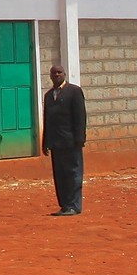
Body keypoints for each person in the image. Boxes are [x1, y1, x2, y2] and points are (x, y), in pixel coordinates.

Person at [41, 64, 86, 216]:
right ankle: (65, 205)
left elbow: (80, 117)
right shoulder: (48, 96)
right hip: (56, 143)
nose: (57, 75)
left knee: (73, 173)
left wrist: (80, 139)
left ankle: (74, 205)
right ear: (50, 76)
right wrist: (45, 141)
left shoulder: (74, 92)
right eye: (54, 73)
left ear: (65, 74)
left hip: (71, 142)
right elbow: (47, 120)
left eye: (60, 72)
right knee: (60, 175)